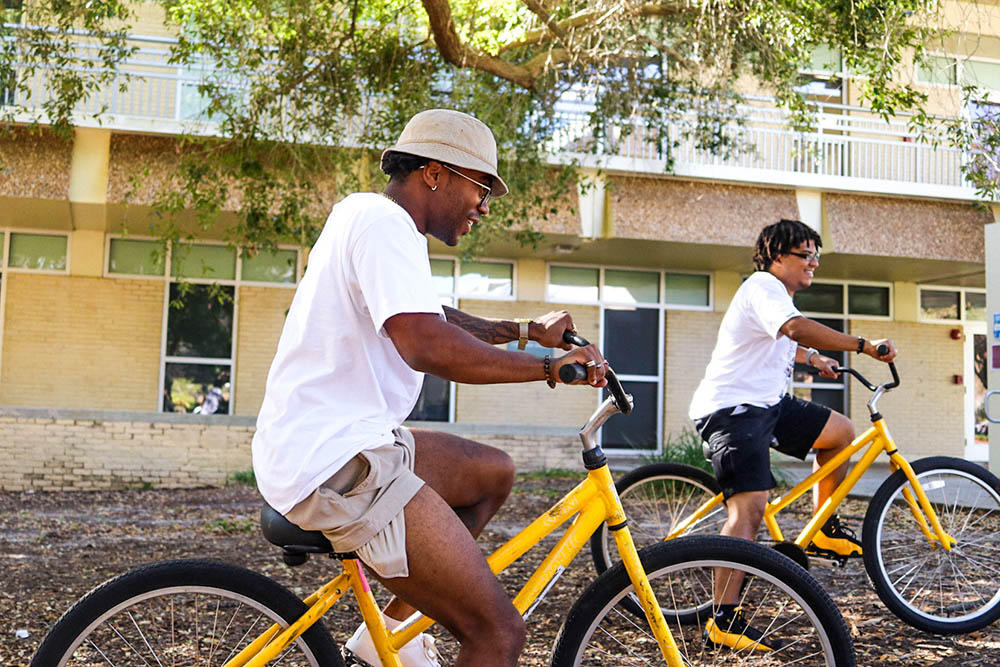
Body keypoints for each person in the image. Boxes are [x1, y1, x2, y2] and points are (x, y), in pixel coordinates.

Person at [251, 108, 608, 667]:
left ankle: (387, 633)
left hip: (336, 441)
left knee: (491, 473)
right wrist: (548, 366)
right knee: (498, 636)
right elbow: (425, 342)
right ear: (436, 173)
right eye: (482, 187)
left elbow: (427, 313)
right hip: (335, 460)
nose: (485, 206)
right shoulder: (385, 224)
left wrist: (521, 332)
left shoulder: (368, 217)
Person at [688, 218, 897, 652]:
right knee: (749, 511)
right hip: (733, 410)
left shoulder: (776, 296)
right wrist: (862, 345)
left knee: (840, 432)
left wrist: (811, 359)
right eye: (806, 255)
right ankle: (722, 618)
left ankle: (822, 529)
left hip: (770, 405)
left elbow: (784, 340)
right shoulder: (763, 286)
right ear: (777, 256)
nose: (814, 264)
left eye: (817, 256)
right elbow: (794, 328)